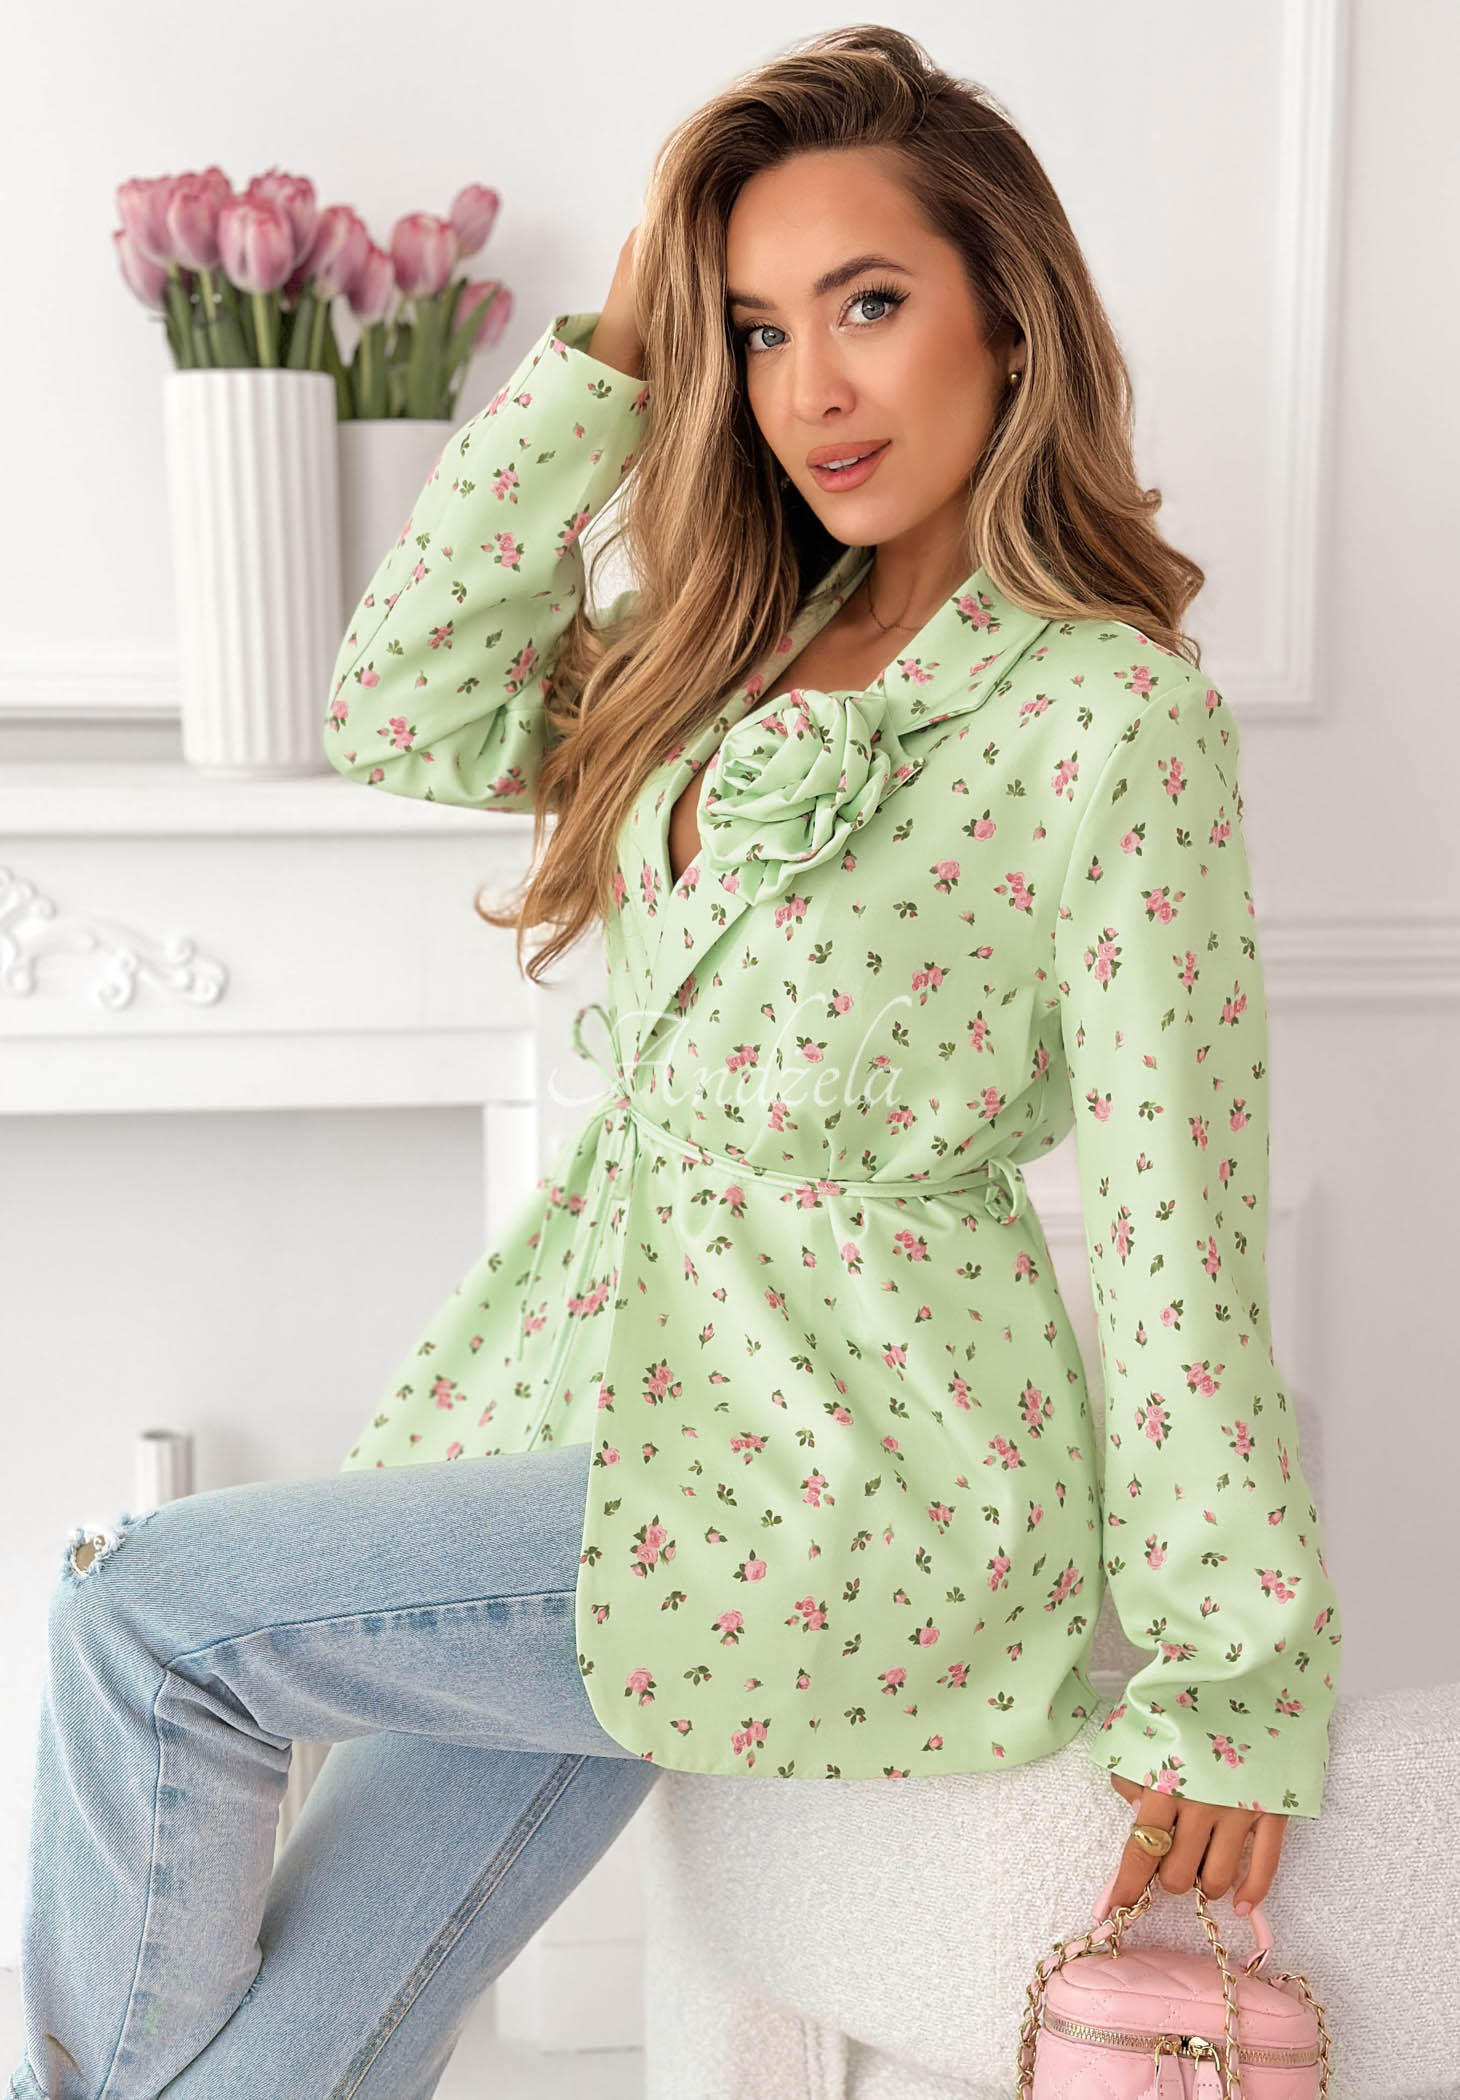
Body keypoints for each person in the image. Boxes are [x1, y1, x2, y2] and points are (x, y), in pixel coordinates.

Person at [8, 24, 1342, 2100]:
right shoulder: (723, 648)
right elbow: (397, 700)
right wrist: (621, 345)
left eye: (868, 305)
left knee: (148, 1609)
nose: (810, 388)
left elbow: (1182, 1224)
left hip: (856, 1490)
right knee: (309, 2049)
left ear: (1008, 314)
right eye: (753, 327)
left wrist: (1233, 1677)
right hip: (607, 1436)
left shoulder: (1107, 721)